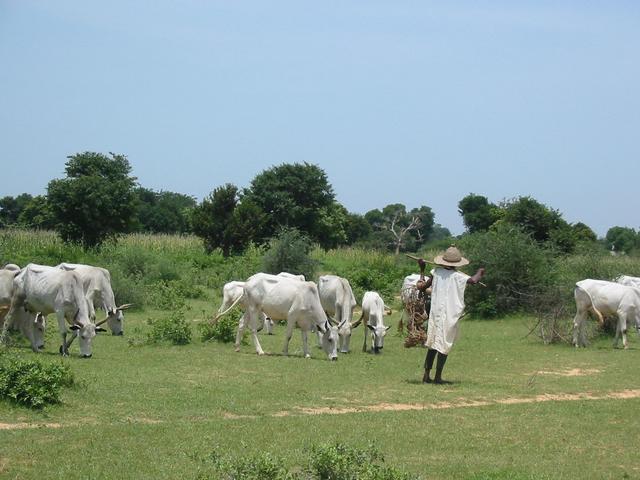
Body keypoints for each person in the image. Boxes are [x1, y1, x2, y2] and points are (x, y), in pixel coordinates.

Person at [419, 245, 485, 384]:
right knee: (444, 344)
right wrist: (480, 272)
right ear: (457, 263)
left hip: (436, 315)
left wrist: (422, 268)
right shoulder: (458, 276)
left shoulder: (436, 272)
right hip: (448, 316)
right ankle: (437, 377)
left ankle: (426, 375)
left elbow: (424, 287)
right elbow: (473, 281)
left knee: (433, 344)